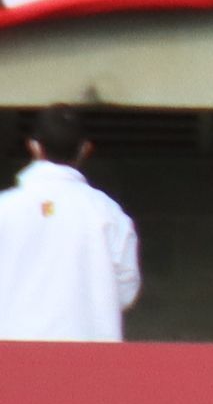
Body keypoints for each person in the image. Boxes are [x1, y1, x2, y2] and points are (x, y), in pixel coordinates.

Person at [0, 105, 140, 342]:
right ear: (85, 149)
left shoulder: (5, 208)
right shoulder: (108, 214)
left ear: (34, 146)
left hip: (11, 361)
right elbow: (126, 291)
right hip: (88, 359)